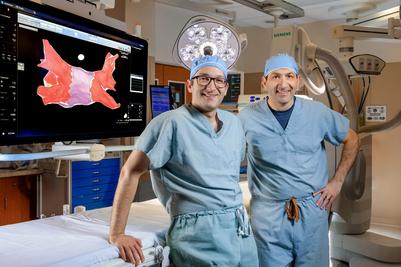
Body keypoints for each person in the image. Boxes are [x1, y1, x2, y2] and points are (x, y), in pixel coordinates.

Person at [109, 55, 258, 267]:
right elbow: (130, 171)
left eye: (218, 80)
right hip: (198, 236)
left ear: (225, 87)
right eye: (204, 78)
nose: (211, 86)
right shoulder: (170, 122)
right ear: (190, 84)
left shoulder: (234, 124)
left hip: (241, 231)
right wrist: (117, 233)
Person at [238, 54, 359, 267]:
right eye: (275, 76)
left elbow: (352, 139)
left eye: (289, 76)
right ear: (264, 82)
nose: (283, 84)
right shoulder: (247, 118)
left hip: (311, 210)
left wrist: (337, 182)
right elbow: (228, 154)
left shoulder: (317, 113)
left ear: (298, 82)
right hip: (268, 215)